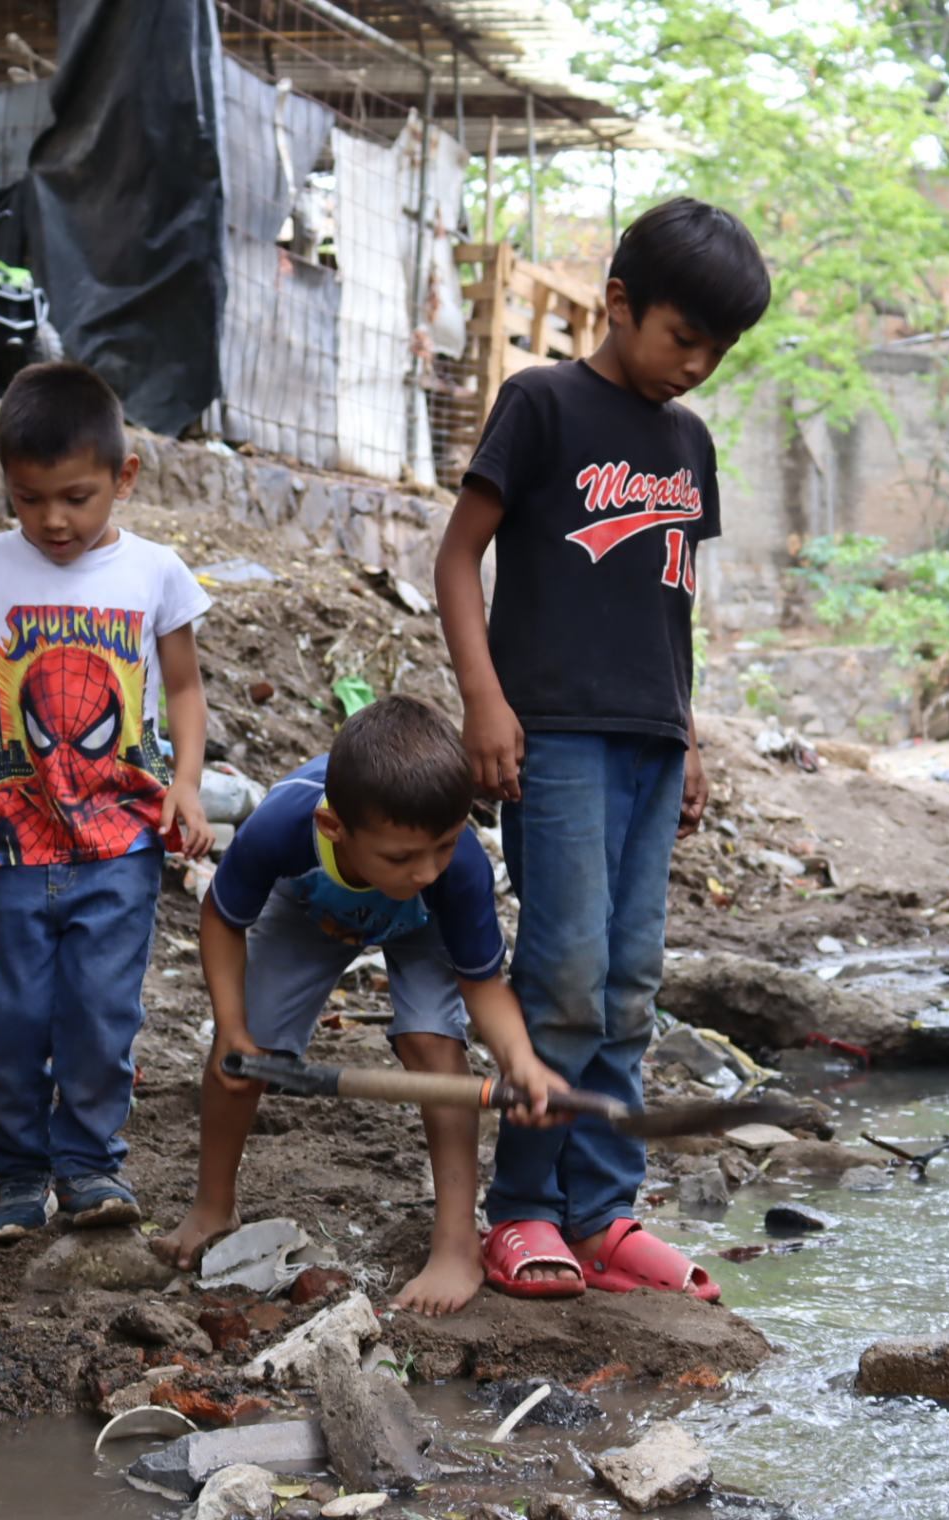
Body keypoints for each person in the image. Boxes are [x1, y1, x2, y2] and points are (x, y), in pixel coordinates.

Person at [433, 196, 771, 1299]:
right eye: (685, 337)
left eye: (719, 351)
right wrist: (485, 701)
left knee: (630, 986)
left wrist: (691, 733)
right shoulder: (541, 404)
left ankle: (604, 1213)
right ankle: (523, 1208)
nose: (699, 365)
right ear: (620, 303)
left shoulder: (689, 443)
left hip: (652, 743)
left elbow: (670, 604)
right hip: (558, 738)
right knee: (565, 976)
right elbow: (457, 561)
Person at [148, 695, 569, 1316]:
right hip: (310, 907)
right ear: (335, 828)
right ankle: (213, 1205)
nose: (427, 869)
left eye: (445, 846)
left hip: (422, 928)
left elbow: (482, 984)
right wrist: (233, 1026)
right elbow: (222, 919)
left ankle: (456, 1245)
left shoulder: (455, 871)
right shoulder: (285, 824)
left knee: (435, 1050)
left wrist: (521, 1061)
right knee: (240, 1058)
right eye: (403, 857)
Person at [0, 361, 216, 1241]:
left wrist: (189, 785)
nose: (52, 520)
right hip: (18, 845)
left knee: (101, 1013)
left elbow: (186, 689)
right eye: (28, 498)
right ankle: (18, 1172)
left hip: (122, 847)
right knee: (11, 1018)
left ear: (124, 477)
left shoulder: (157, 573)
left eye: (76, 497)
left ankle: (90, 1165)